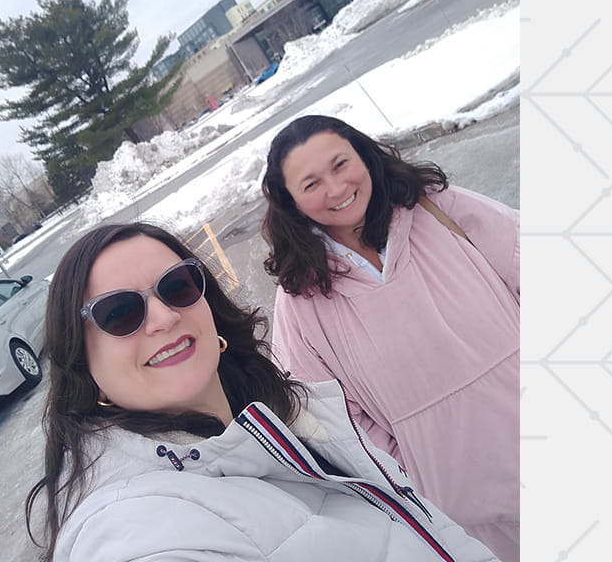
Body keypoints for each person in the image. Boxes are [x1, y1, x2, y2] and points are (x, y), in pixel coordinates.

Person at [26, 222, 500, 562]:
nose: (164, 317)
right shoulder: (136, 524)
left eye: (177, 286)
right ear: (83, 363)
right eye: (119, 314)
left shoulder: (286, 416)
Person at [261, 115, 519, 562]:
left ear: (364, 156)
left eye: (341, 164)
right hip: (466, 509)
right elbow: (324, 414)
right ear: (291, 202)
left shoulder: (438, 210)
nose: (336, 188)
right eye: (311, 183)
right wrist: (415, 474)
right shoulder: (301, 296)